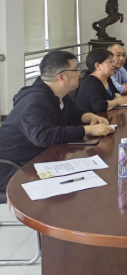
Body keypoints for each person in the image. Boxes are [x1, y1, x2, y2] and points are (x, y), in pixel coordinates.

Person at [0, 51, 115, 190]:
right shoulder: (36, 101)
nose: (79, 73)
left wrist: (92, 117)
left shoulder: (59, 94)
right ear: (61, 77)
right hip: (13, 168)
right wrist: (89, 130)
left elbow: (75, 111)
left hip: (38, 158)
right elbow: (44, 136)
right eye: (76, 70)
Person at [76, 48, 127, 113]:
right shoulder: (90, 83)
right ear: (97, 66)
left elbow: (116, 93)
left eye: (113, 62)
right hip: (90, 118)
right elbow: (99, 106)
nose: (113, 65)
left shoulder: (107, 78)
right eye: (110, 62)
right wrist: (117, 101)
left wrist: (117, 98)